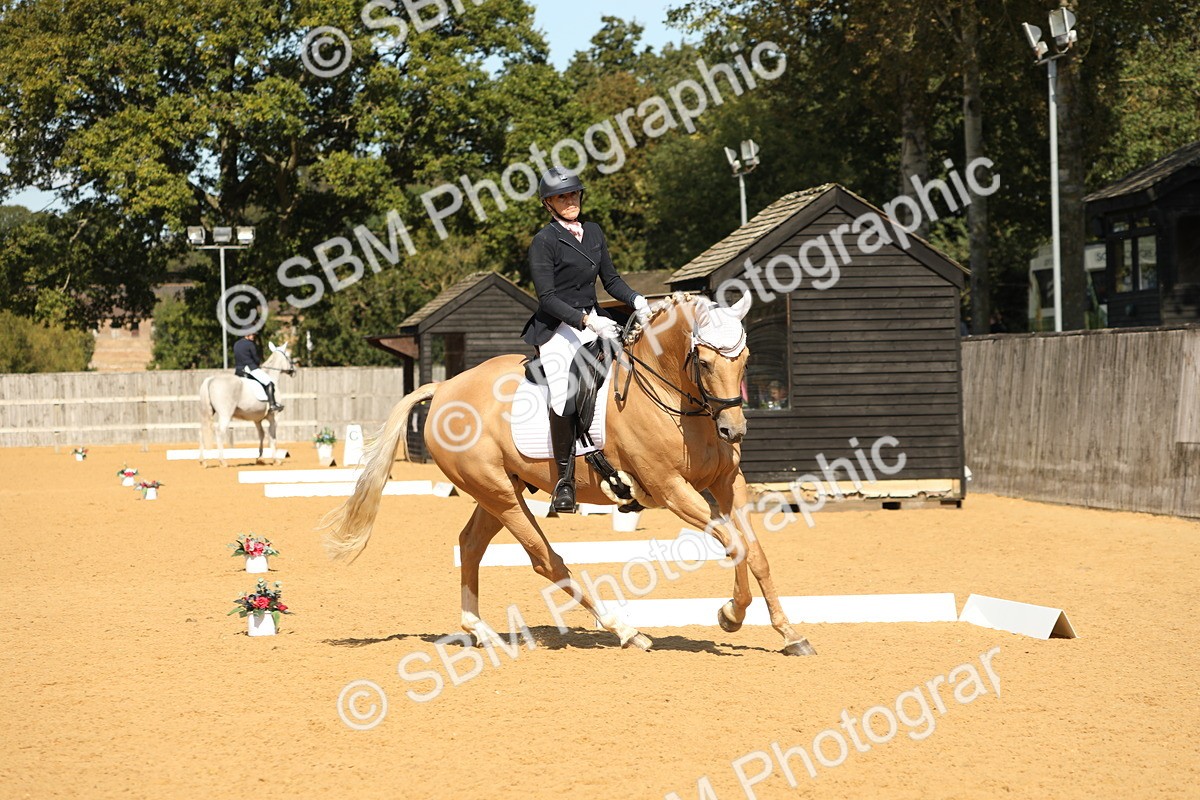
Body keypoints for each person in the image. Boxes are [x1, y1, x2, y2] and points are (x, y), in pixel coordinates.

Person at [522, 167, 652, 513]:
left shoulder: (593, 232)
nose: (571, 200)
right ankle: (564, 482)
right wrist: (584, 321)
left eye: (574, 194)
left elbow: (611, 280)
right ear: (549, 203)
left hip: (596, 320)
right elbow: (546, 297)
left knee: (631, 371)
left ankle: (633, 466)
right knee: (565, 395)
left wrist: (637, 300)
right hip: (558, 328)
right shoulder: (544, 241)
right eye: (563, 196)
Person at [233, 331, 284, 412]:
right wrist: (257, 364)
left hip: (238, 371)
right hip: (250, 369)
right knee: (269, 382)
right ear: (247, 334)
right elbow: (256, 358)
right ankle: (272, 405)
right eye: (252, 334)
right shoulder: (250, 344)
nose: (253, 336)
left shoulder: (236, 344)